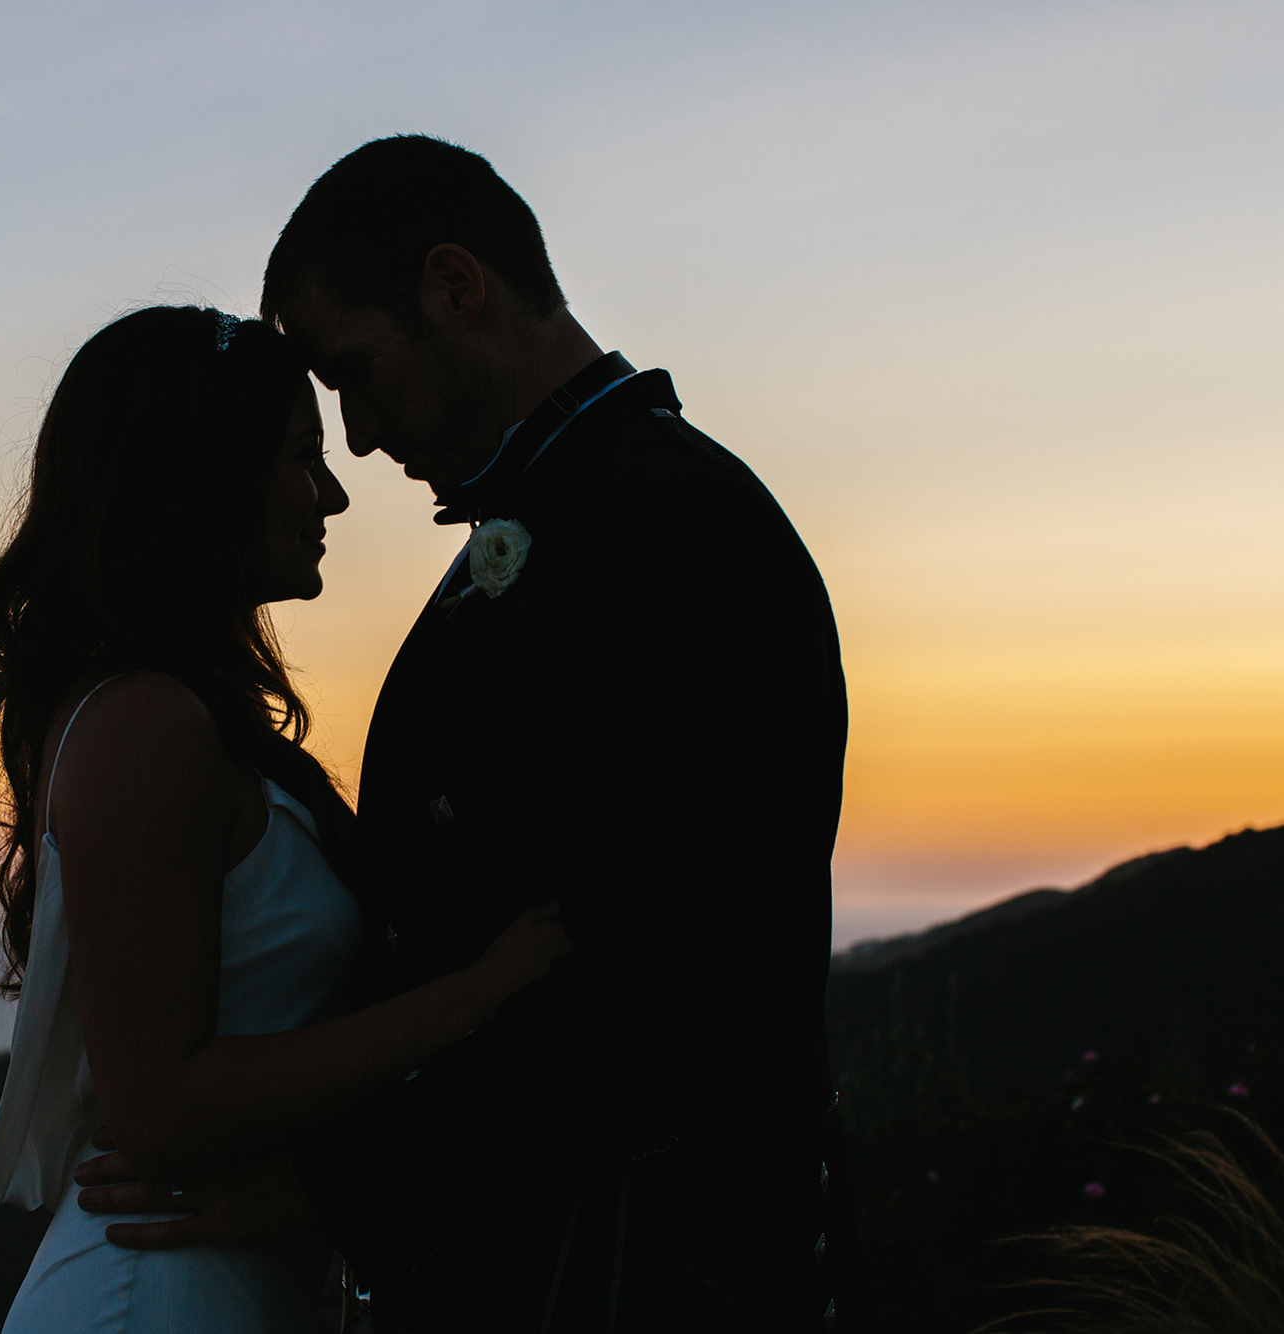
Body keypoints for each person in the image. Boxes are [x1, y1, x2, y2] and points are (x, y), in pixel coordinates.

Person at [76, 138, 855, 1330]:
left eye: (357, 373)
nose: (362, 437)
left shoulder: (680, 530)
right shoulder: (560, 523)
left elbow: (669, 992)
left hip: (627, 1276)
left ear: (455, 287)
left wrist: (321, 1187)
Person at [0, 303, 572, 1333]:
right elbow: (156, 1100)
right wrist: (474, 994)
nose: (332, 493)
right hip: (151, 1298)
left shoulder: (187, 717)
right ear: (202, 478)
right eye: (302, 459)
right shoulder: (143, 724)